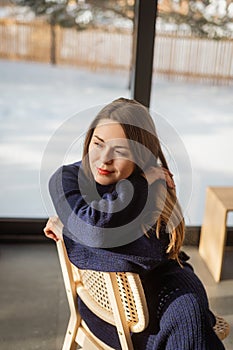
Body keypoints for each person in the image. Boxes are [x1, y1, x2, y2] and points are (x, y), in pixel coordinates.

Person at [44, 98, 225, 349]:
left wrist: (69, 235)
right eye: (98, 144)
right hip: (112, 312)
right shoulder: (65, 179)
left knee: (190, 314)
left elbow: (150, 255)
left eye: (120, 151)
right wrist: (139, 185)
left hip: (167, 288)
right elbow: (95, 231)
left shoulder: (152, 187)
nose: (104, 159)